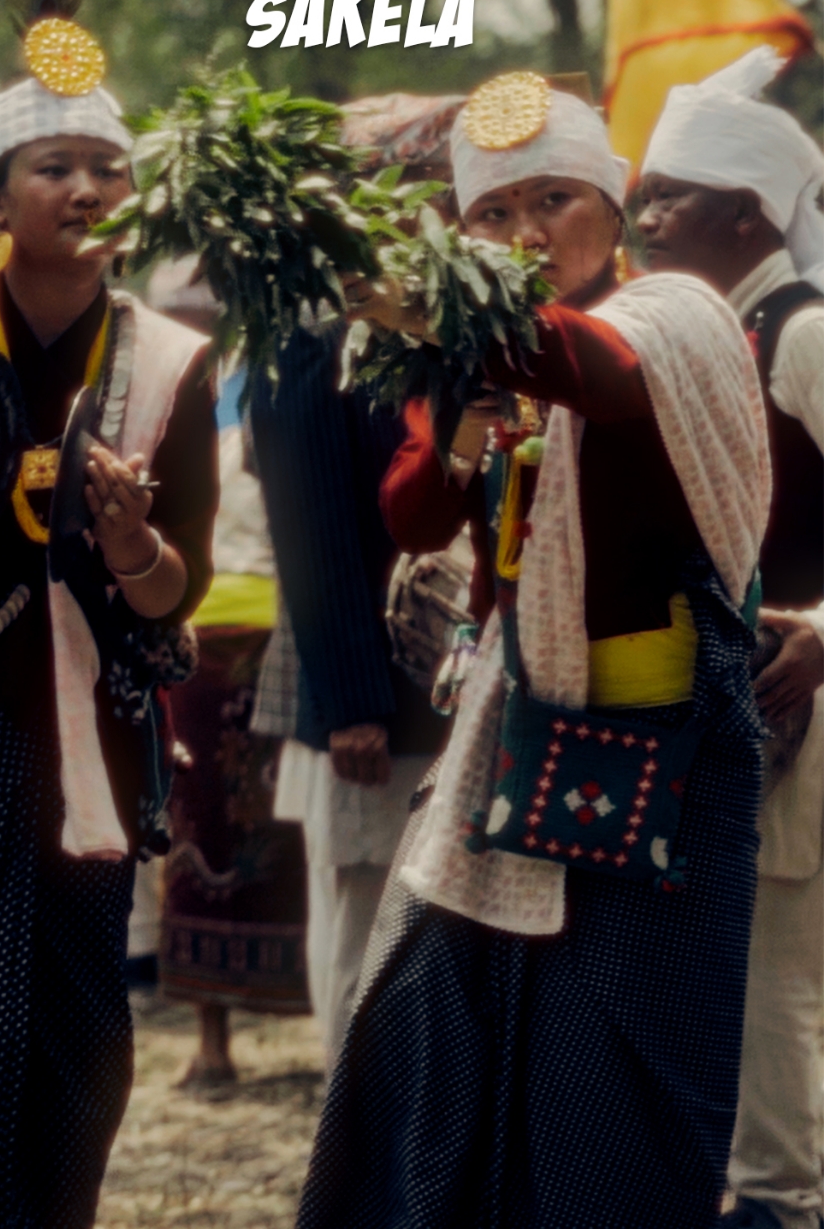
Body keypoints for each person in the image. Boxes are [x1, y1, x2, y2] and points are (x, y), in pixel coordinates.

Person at [297, 73, 770, 1229]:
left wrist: (435, 307)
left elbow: (591, 373)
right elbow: (411, 514)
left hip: (663, 751)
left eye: (553, 198)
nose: (524, 233)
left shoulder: (672, 319)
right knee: (435, 1020)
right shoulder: (472, 352)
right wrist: (455, 429)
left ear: (617, 208)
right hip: (515, 742)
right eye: (494, 215)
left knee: (619, 1059)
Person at [0, 18, 217, 1228]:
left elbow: (171, 592)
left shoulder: (172, 363)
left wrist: (133, 543)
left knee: (80, 1036)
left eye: (111, 166)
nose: (88, 189)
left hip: (93, 743)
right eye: (54, 167)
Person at [638, 47, 824, 1229]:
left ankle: (781, 1202)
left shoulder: (802, 333)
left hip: (807, 701)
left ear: (748, 213)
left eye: (669, 196)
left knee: (780, 969)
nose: (643, 217)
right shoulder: (711, 334)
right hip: (746, 696)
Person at [248, 97, 460, 1073]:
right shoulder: (312, 329)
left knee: (418, 920)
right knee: (365, 911)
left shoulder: (428, 322)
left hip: (428, 674)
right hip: (358, 689)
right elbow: (311, 526)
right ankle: (355, 1136)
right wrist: (352, 705)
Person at [148, 258, 311, 1084]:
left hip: (278, 633)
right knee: (197, 827)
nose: (194, 323)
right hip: (191, 642)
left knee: (290, 827)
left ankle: (317, 1024)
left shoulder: (274, 387)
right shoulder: (155, 401)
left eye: (206, 310)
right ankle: (210, 1040)